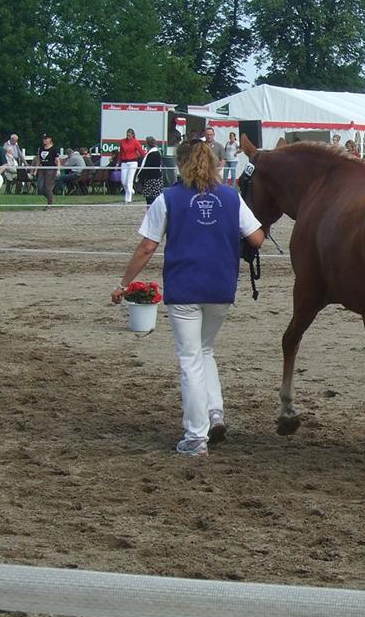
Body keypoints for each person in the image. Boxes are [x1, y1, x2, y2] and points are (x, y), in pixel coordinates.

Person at [112, 139, 265, 458]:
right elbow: (256, 238)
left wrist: (125, 283)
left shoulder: (168, 198)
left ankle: (196, 437)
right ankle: (214, 413)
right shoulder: (231, 197)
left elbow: (147, 247)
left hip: (185, 288)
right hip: (221, 288)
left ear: (180, 164)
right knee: (205, 349)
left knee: (190, 359)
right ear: (215, 162)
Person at [118, 128, 146, 205]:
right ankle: (131, 190)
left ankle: (128, 199)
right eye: (127, 135)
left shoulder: (135, 142)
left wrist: (146, 159)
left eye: (129, 135)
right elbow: (121, 152)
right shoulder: (122, 141)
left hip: (133, 162)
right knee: (123, 181)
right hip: (124, 162)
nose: (128, 136)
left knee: (129, 181)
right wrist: (118, 162)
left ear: (132, 135)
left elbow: (141, 152)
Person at [34, 133, 61, 210]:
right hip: (42, 169)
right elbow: (39, 160)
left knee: (47, 187)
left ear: (50, 139)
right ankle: (51, 198)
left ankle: (50, 204)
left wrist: (58, 170)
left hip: (51, 169)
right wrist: (36, 170)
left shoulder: (53, 149)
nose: (44, 140)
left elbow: (57, 161)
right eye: (43, 139)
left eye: (46, 139)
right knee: (40, 187)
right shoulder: (41, 148)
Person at [139, 136, 164, 204]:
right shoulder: (157, 152)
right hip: (157, 179)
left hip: (151, 180)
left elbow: (146, 168)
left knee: (150, 200)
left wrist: (140, 178)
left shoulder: (151, 154)